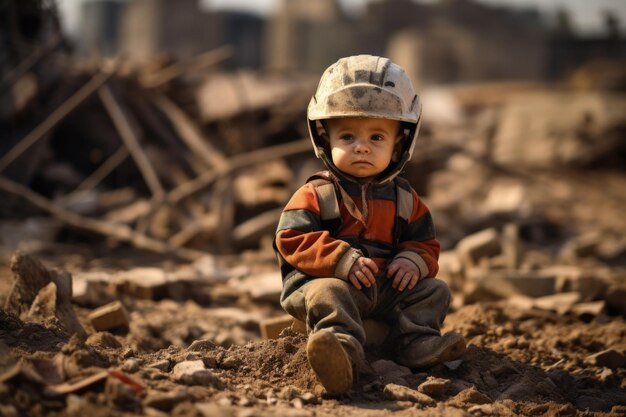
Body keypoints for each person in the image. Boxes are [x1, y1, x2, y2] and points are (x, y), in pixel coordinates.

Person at [273, 55, 466, 394]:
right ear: (325, 138)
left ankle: (417, 343)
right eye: (347, 136)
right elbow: (291, 238)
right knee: (328, 293)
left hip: (383, 291)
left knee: (436, 290)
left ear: (399, 144)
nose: (361, 147)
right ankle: (339, 350)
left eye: (377, 137)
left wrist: (413, 260)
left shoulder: (406, 199)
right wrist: (339, 259)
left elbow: (425, 243)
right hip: (325, 283)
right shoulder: (316, 193)